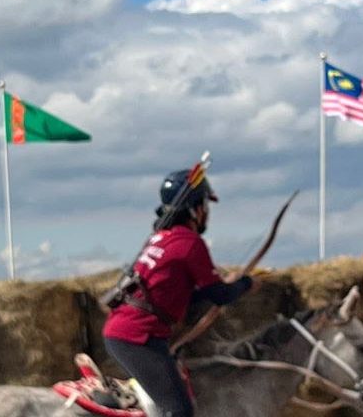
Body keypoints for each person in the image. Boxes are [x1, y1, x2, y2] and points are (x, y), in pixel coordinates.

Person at [103, 169, 255, 417]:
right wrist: (247, 283)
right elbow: (221, 296)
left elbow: (186, 297)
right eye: (205, 205)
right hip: (138, 337)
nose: (207, 212)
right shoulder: (189, 242)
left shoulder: (162, 238)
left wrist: (221, 286)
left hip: (126, 333)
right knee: (179, 410)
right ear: (195, 209)